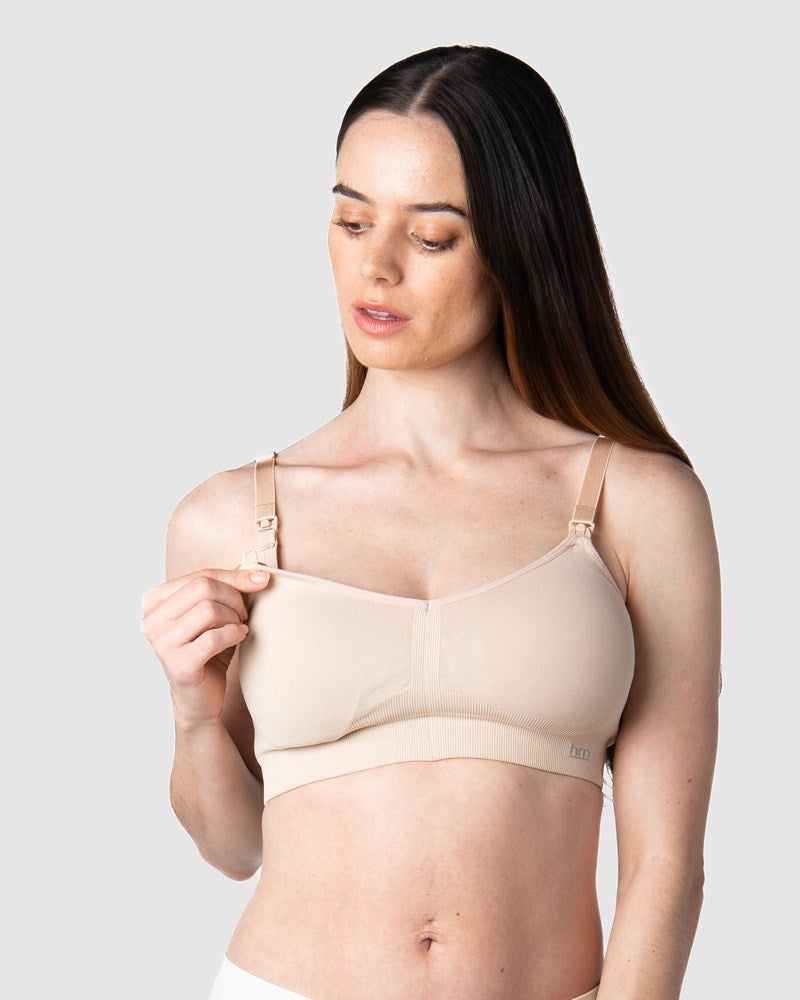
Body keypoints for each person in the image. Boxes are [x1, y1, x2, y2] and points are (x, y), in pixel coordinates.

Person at [141, 44, 721, 1000]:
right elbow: (234, 846)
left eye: (433, 236)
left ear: (520, 244)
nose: (375, 267)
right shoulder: (232, 517)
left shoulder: (638, 503)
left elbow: (666, 865)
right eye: (351, 221)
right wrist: (195, 714)